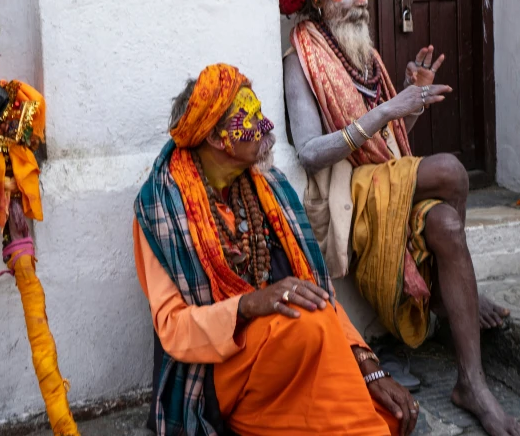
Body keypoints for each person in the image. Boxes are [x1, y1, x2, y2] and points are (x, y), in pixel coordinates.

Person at [281, 0, 518, 436]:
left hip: (386, 178)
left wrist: (412, 97)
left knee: (448, 230)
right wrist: (391, 107)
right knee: (452, 169)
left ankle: (471, 382)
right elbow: (308, 151)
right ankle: (463, 300)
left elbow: (390, 140)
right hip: (348, 189)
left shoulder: (362, 54)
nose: (359, 2)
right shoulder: (301, 57)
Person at [133, 63, 418, 436]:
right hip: (218, 375)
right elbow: (173, 329)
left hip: (289, 350)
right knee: (310, 327)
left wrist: (368, 363)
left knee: (391, 415)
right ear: (218, 139)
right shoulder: (161, 207)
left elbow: (318, 292)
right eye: (250, 118)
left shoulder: (269, 188)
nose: (267, 127)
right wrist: (249, 304)